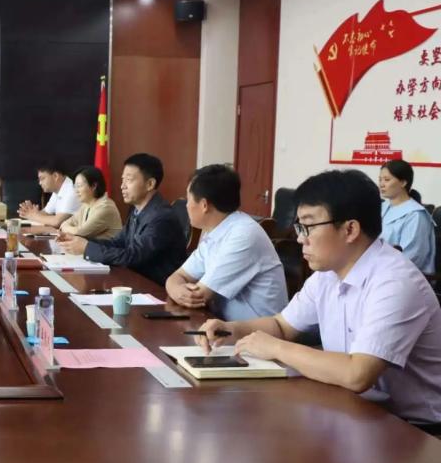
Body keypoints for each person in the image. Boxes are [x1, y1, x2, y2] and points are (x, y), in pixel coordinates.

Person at [197, 170, 441, 426]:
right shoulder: (328, 274)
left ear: (350, 229)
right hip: (354, 409)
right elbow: (282, 325)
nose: (300, 238)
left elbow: (357, 374)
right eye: (299, 227)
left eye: (308, 227)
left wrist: (276, 348)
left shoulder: (395, 283)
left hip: (414, 429)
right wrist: (230, 329)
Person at [165, 164, 287, 321]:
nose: (186, 205)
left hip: (257, 333)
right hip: (224, 326)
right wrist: (176, 290)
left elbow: (199, 296)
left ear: (204, 205)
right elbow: (178, 276)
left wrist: (178, 290)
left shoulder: (243, 235)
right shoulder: (214, 231)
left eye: (188, 199)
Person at [58, 153, 185, 285]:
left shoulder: (162, 217)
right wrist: (81, 242)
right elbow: (117, 243)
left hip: (155, 288)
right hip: (134, 281)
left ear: (150, 184)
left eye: (128, 180)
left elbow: (134, 256)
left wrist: (87, 248)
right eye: (122, 180)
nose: (122, 186)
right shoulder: (137, 210)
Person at [378, 159, 435, 275]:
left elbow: (411, 258)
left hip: (403, 276)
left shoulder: (416, 215)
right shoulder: (382, 207)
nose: (381, 184)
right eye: (380, 179)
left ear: (403, 182)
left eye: (387, 180)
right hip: (378, 269)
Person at [58, 166, 121, 240]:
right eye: (75, 186)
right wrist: (68, 228)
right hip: (90, 246)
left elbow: (81, 232)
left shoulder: (106, 207)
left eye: (79, 186)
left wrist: (67, 228)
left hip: (106, 247)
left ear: (94, 186)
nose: (76, 190)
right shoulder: (86, 204)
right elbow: (65, 223)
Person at [17, 160, 81, 228]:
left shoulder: (71, 190)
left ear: (55, 176)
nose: (40, 183)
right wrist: (32, 213)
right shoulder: (58, 190)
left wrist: (33, 215)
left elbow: (57, 222)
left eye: (42, 178)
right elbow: (45, 213)